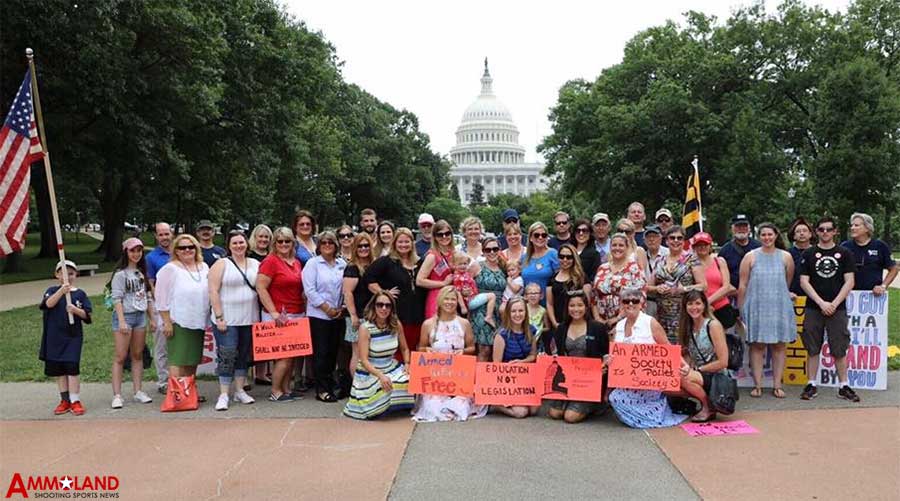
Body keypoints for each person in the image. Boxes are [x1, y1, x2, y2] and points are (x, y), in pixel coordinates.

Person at [607, 288, 688, 428]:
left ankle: (652, 418)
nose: (630, 304)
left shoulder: (650, 323)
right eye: (626, 301)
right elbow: (615, 354)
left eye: (635, 301)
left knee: (617, 398)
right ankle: (642, 418)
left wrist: (684, 365)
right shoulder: (619, 326)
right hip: (628, 380)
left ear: (641, 303)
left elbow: (667, 347)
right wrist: (609, 359)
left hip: (649, 381)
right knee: (614, 398)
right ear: (622, 304)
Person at [799, 217, 859, 402]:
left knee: (839, 347)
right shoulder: (809, 254)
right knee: (812, 347)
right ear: (816, 232)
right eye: (821, 229)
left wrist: (833, 303)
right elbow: (804, 281)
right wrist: (821, 303)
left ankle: (844, 385)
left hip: (837, 308)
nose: (825, 232)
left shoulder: (845, 253)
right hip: (813, 307)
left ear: (835, 232)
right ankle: (811, 384)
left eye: (828, 229)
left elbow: (850, 281)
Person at [737, 223, 796, 398]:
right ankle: (758, 385)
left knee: (779, 345)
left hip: (779, 306)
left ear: (776, 235)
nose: (767, 238)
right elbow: (743, 284)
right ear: (759, 236)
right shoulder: (750, 257)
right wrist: (741, 308)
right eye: (763, 234)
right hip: (756, 307)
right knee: (757, 346)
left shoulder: (786, 257)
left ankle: (777, 385)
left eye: (770, 234)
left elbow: (787, 282)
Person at [413, 286, 486, 422]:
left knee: (461, 406)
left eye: (453, 299)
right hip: (436, 376)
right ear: (440, 300)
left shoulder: (464, 323)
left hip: (458, 376)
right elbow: (421, 347)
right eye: (446, 298)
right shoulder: (428, 324)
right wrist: (427, 350)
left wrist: (462, 351)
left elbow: (472, 348)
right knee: (433, 407)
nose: (450, 302)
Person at [208, 231, 259, 410]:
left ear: (247, 244)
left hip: (249, 317)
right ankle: (223, 393)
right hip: (227, 318)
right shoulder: (221, 264)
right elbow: (213, 291)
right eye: (235, 243)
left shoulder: (255, 264)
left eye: (241, 242)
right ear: (229, 246)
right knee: (227, 354)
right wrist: (219, 316)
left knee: (243, 355)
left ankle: (239, 390)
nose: (239, 246)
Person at [343, 293, 415, 420]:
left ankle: (398, 404)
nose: (384, 308)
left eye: (388, 305)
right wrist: (380, 375)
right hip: (371, 369)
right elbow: (363, 359)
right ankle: (380, 405)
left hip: (391, 365)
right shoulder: (365, 328)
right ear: (373, 307)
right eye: (380, 305)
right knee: (388, 384)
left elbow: (404, 348)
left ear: (392, 308)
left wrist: (408, 364)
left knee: (411, 379)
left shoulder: (396, 325)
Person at [155, 234, 210, 401]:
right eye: (182, 247)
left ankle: (189, 392)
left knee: (192, 359)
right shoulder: (170, 269)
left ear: (196, 248)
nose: (187, 250)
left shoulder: (204, 266)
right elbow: (161, 297)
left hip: (198, 320)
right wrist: (166, 321)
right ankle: (177, 395)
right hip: (177, 320)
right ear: (176, 251)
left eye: (190, 247)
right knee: (178, 359)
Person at [256, 227, 305, 402]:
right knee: (283, 356)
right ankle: (276, 391)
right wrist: (274, 312)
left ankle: (286, 389)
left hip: (297, 313)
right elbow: (260, 287)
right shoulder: (270, 261)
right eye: (280, 241)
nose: (284, 244)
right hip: (278, 315)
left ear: (293, 243)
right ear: (274, 243)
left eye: (287, 241)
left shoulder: (297, 262)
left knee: (291, 356)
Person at [545, 292, 609, 423]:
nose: (576, 309)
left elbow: (606, 354)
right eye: (572, 306)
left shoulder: (598, 328)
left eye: (580, 305)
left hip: (590, 382)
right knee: (554, 413)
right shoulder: (561, 328)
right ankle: (571, 401)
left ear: (586, 307)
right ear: (567, 308)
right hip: (568, 380)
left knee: (570, 417)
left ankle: (597, 405)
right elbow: (555, 353)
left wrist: (603, 367)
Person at [40, 260, 93, 416]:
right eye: (63, 273)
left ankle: (75, 399)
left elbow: (87, 315)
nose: (67, 277)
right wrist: (61, 292)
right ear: (57, 275)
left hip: (72, 337)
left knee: (72, 367)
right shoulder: (51, 290)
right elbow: (48, 304)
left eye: (70, 273)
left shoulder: (80, 294)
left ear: (75, 274)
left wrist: (76, 310)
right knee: (59, 370)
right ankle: (65, 400)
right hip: (54, 337)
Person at [110, 238, 155, 409]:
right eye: (132, 251)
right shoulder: (120, 275)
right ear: (126, 253)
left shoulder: (141, 273)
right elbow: (117, 298)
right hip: (126, 317)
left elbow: (147, 296)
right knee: (121, 356)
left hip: (140, 316)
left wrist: (152, 318)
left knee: (137, 354)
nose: (136, 254)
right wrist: (121, 320)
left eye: (139, 251)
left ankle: (138, 391)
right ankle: (117, 394)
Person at [302, 231, 346, 403]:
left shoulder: (341, 263)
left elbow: (345, 288)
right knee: (321, 353)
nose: (327, 245)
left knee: (333, 353)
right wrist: (326, 308)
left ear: (336, 245)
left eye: (331, 242)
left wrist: (341, 307)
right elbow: (310, 290)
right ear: (319, 245)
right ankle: (321, 389)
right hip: (319, 314)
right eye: (324, 242)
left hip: (337, 315)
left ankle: (330, 384)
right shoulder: (313, 264)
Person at [367, 228, 425, 356]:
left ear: (412, 243)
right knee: (398, 349)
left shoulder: (420, 262)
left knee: (415, 348)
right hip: (397, 314)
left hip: (418, 314)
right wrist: (383, 293)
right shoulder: (386, 261)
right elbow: (369, 279)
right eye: (400, 242)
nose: (403, 245)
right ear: (394, 243)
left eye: (407, 241)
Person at [678, 291, 730, 422]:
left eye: (698, 303)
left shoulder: (713, 325)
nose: (694, 307)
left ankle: (708, 407)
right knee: (668, 384)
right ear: (685, 306)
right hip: (699, 373)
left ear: (704, 305)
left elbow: (723, 362)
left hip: (717, 375)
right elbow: (688, 354)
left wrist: (696, 370)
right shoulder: (687, 327)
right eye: (690, 304)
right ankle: (700, 400)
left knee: (682, 378)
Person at [648, 226, 706, 343]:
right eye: (672, 238)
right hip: (662, 314)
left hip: (684, 313)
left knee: (684, 347)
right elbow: (647, 287)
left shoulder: (692, 259)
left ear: (683, 241)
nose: (676, 241)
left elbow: (703, 285)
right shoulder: (660, 260)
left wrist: (683, 289)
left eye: (679, 238)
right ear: (666, 240)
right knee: (665, 348)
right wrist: (657, 288)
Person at [492, 297, 540, 419]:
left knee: (534, 410)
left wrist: (522, 362)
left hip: (524, 377)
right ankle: (494, 403)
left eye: (520, 311)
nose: (517, 314)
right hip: (506, 380)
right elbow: (496, 364)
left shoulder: (531, 330)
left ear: (525, 312)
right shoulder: (501, 334)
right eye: (513, 311)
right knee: (521, 413)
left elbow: (533, 355)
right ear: (508, 313)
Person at [592, 233, 646, 329]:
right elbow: (594, 296)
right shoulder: (602, 268)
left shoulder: (634, 268)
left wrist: (618, 318)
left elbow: (640, 298)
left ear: (627, 247)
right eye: (614, 245)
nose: (617, 248)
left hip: (627, 321)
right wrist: (597, 318)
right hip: (602, 322)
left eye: (621, 245)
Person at [342, 233, 375, 383]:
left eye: (366, 245)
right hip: (357, 317)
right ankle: (357, 387)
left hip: (373, 315)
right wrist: (353, 315)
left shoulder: (374, 265)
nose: (363, 248)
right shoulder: (352, 267)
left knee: (371, 353)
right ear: (355, 247)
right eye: (360, 246)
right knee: (357, 353)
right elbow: (347, 293)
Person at [468, 236, 507, 360]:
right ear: (483, 252)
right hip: (481, 310)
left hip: (499, 310)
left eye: (495, 249)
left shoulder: (504, 267)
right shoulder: (477, 266)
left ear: (499, 250)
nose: (492, 252)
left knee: (497, 348)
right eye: (488, 250)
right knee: (484, 349)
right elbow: (465, 283)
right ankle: (480, 378)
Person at [146, 222, 173, 394]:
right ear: (156, 236)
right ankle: (163, 381)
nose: (164, 237)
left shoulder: (179, 252)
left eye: (166, 233)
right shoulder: (151, 257)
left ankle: (179, 379)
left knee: (178, 344)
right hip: (161, 306)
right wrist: (161, 304)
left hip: (180, 306)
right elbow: (151, 284)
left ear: (172, 234)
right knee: (162, 345)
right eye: (160, 234)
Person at [842, 212, 897, 295]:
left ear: (867, 228)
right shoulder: (845, 246)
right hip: (849, 295)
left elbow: (894, 269)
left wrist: (883, 286)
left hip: (873, 297)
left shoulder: (880, 246)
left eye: (856, 225)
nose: (852, 228)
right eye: (852, 225)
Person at [691, 232, 737, 330]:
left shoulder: (719, 261)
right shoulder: (690, 265)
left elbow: (726, 286)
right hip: (699, 310)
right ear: (694, 247)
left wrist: (707, 302)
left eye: (705, 244)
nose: (702, 247)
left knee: (723, 341)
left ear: (710, 246)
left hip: (721, 307)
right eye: (699, 245)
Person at [546, 243, 591, 330]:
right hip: (558, 324)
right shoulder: (552, 279)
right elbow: (549, 304)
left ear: (574, 258)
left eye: (569, 257)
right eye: (562, 256)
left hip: (579, 324)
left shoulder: (582, 278)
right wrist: (555, 323)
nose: (565, 259)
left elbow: (587, 303)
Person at [416, 219, 456, 318]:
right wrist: (443, 283)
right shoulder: (432, 256)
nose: (444, 237)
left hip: (452, 298)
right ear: (434, 237)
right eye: (440, 234)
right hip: (436, 298)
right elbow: (419, 281)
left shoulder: (454, 253)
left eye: (447, 233)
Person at [718, 214, 761, 292]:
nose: (741, 229)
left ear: (749, 229)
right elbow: (719, 276)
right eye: (738, 226)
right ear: (732, 229)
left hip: (757, 291)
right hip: (734, 294)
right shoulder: (724, 251)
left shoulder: (759, 247)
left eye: (744, 226)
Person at [450, 252, 496, 322]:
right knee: (492, 296)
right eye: (460, 264)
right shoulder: (457, 277)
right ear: (454, 265)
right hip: (470, 301)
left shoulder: (465, 273)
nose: (463, 266)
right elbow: (458, 292)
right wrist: (463, 307)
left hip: (472, 297)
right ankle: (489, 317)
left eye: (465, 264)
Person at [521, 222, 559, 296]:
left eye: (544, 235)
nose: (540, 237)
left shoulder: (553, 254)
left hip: (549, 301)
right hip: (529, 303)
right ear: (530, 238)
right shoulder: (524, 257)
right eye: (536, 235)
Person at [643, 225, 668, 318]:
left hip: (666, 301)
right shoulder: (641, 256)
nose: (652, 239)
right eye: (648, 237)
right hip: (647, 301)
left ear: (661, 238)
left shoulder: (669, 254)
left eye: (655, 236)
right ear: (644, 240)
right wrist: (655, 289)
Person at [787, 218, 813, 297]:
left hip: (814, 297)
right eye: (798, 231)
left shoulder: (817, 252)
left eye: (804, 231)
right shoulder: (787, 254)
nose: (801, 233)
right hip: (793, 296)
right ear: (794, 236)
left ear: (810, 234)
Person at [524, 283, 549, 352]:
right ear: (525, 296)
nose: (533, 295)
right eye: (530, 293)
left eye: (536, 293)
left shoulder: (543, 311)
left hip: (537, 340)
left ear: (541, 296)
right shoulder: (523, 308)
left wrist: (540, 329)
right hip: (524, 337)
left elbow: (547, 327)